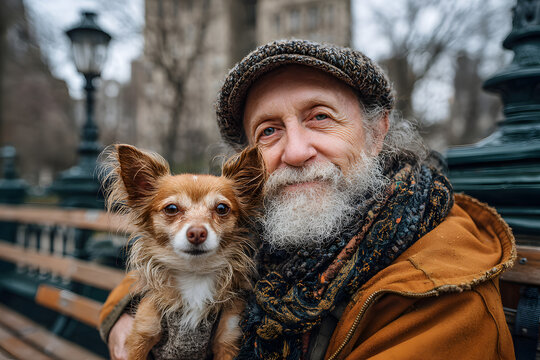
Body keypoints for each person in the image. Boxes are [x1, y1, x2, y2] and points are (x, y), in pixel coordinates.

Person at [99, 40, 516, 360]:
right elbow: (168, 265)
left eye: (320, 116)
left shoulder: (440, 285)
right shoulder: (256, 224)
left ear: (377, 131)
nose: (296, 152)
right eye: (268, 131)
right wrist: (126, 316)